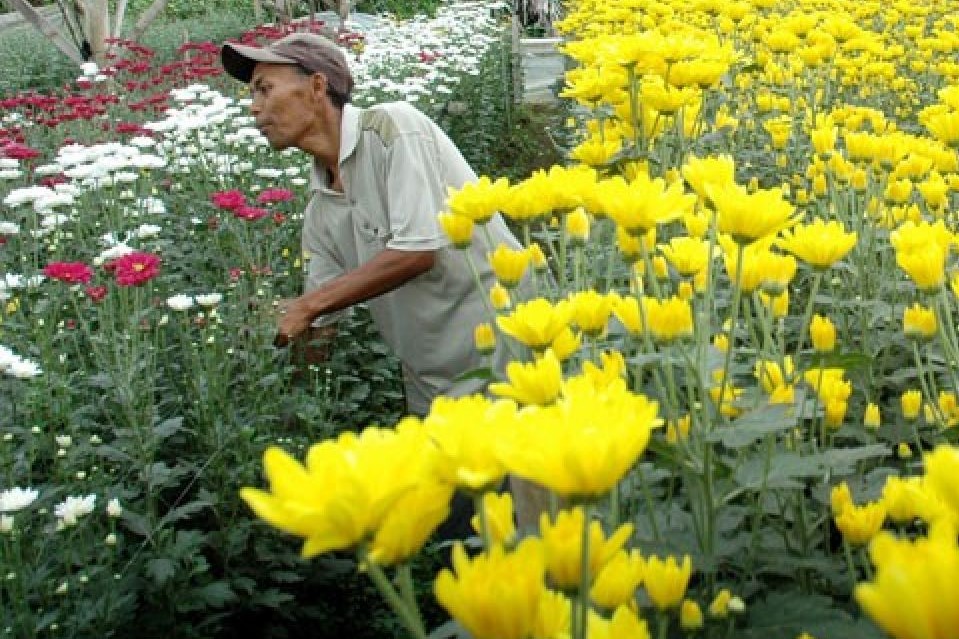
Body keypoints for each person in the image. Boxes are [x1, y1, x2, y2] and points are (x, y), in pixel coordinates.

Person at [220, 33, 544, 535]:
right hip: (434, 390)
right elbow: (320, 326)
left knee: (537, 527)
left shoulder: (394, 129)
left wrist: (306, 307)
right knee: (464, 532)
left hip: (510, 361)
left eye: (264, 89)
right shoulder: (320, 211)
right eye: (252, 96)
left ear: (317, 87)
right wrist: (266, 349)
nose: (254, 108)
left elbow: (418, 250)